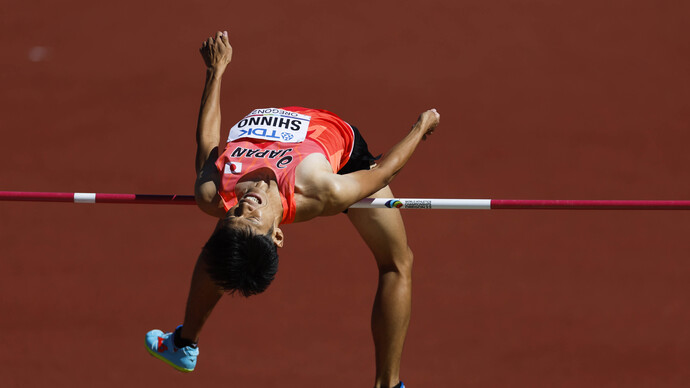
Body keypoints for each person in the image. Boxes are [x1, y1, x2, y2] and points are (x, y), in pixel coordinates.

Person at [145, 30, 439, 388]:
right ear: (277, 233)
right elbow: (383, 172)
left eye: (234, 215)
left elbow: (208, 141)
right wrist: (420, 127)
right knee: (397, 262)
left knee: (226, 254)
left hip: (277, 128)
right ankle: (388, 385)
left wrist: (216, 71)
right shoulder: (321, 188)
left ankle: (183, 343)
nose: (244, 207)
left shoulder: (213, 193)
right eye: (252, 219)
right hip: (343, 156)